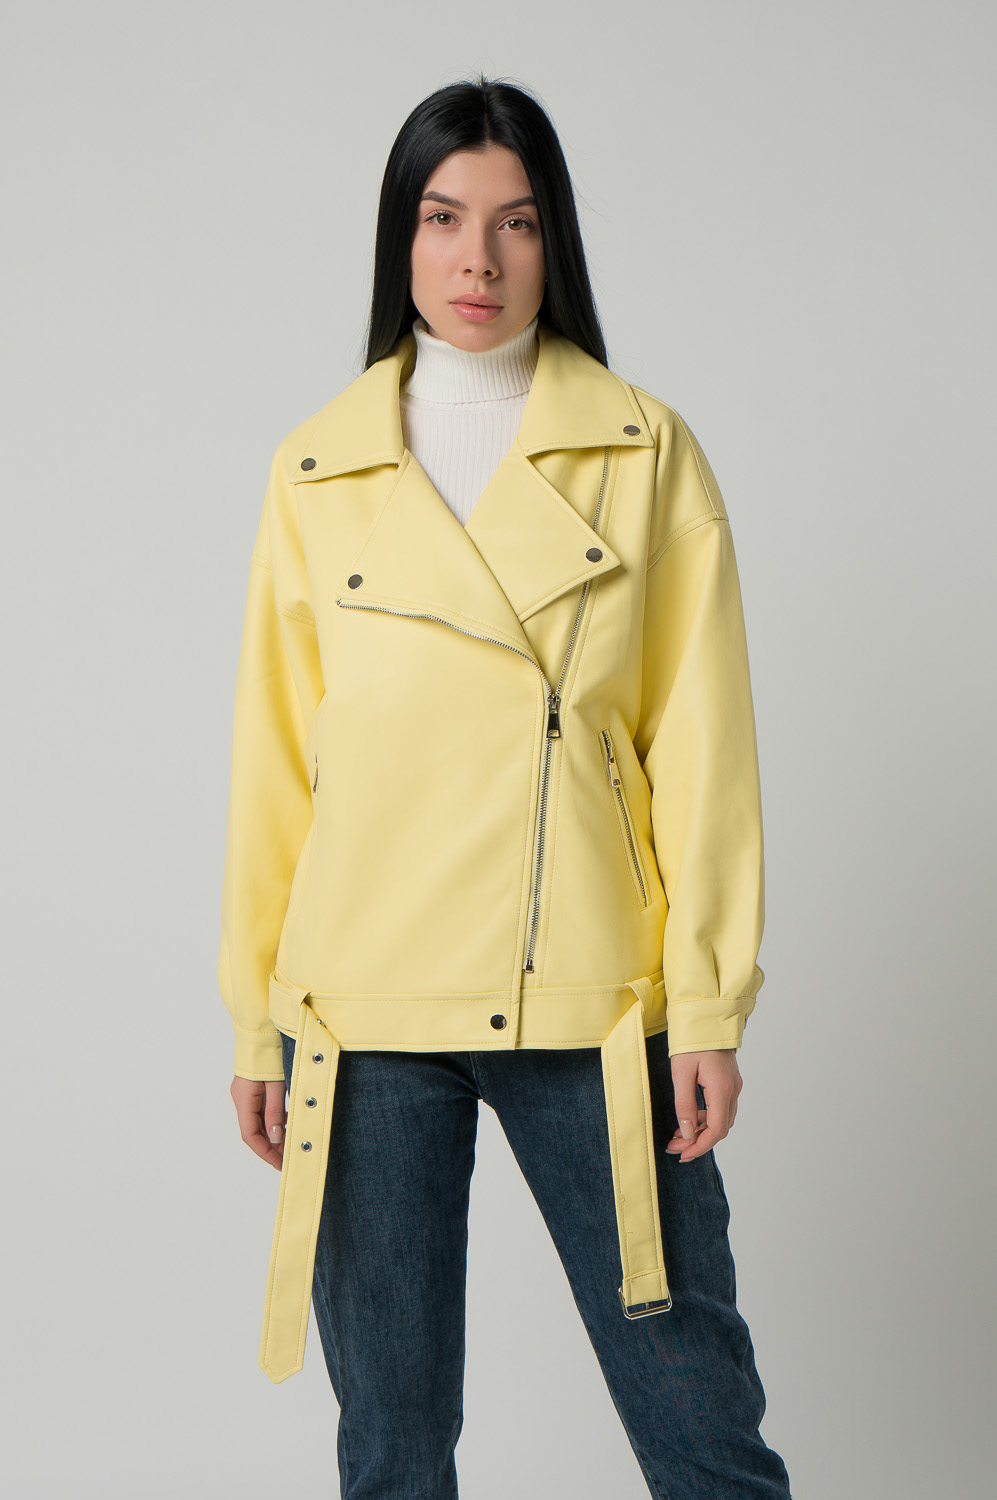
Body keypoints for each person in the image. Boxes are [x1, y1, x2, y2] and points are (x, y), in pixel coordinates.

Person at [219, 74, 794, 1500]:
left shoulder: (643, 451)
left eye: (515, 223)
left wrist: (707, 1007)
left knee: (701, 1428)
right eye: (442, 219)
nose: (476, 259)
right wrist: (255, 1018)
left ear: (555, 242)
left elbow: (702, 744)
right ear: (399, 239)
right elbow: (277, 766)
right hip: (364, 1005)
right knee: (392, 1449)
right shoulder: (317, 468)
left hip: (592, 994)